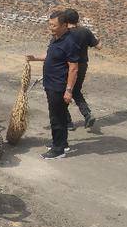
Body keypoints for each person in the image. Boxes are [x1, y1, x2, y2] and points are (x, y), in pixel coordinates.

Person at [26, 11, 80, 159]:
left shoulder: (70, 42)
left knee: (56, 117)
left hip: (59, 85)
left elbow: (74, 68)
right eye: (49, 24)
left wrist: (69, 90)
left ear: (64, 25)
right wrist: (35, 58)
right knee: (59, 116)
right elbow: (50, 55)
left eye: (54, 25)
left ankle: (58, 149)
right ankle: (62, 142)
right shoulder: (55, 38)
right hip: (51, 84)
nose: (51, 27)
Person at [64, 9, 101, 130]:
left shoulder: (64, 33)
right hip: (82, 66)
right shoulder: (85, 31)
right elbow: (99, 46)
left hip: (68, 66)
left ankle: (68, 122)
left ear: (65, 20)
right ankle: (87, 114)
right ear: (77, 19)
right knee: (76, 90)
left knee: (63, 92)